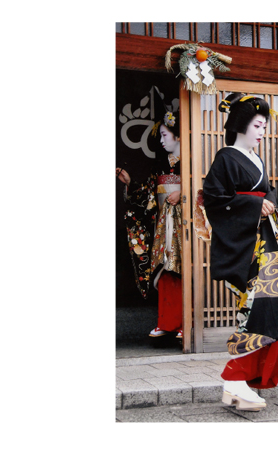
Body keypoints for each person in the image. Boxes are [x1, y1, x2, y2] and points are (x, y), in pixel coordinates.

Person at [202, 93, 278, 411]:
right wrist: (254, 204)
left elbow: (268, 190)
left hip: (265, 244)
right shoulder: (226, 157)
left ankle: (245, 381)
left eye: (264, 126)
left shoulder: (257, 160)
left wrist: (268, 202)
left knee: (273, 307)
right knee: (255, 309)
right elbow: (214, 199)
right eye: (258, 125)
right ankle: (235, 379)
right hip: (246, 248)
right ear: (241, 125)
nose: (263, 132)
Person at [116, 86, 184, 340]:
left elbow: (205, 187)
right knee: (165, 270)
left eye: (165, 135)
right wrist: (131, 184)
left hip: (185, 225)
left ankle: (186, 323)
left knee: (185, 270)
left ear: (179, 136)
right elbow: (147, 194)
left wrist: (184, 194)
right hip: (164, 224)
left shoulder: (193, 163)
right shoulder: (160, 166)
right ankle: (167, 321)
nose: (162, 140)